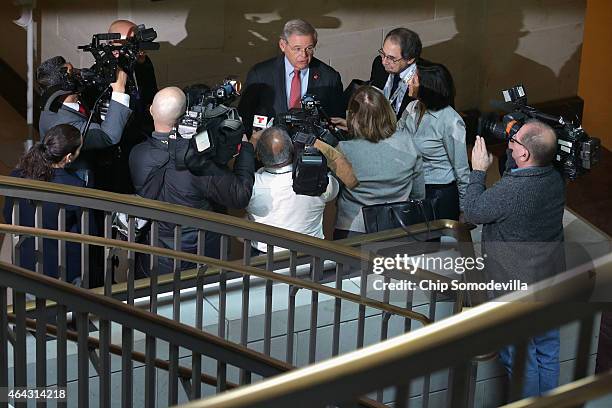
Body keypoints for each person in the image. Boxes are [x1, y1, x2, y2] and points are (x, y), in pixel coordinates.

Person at [464, 121, 566, 398]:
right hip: (551, 279)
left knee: (522, 361)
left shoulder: (512, 191)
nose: (509, 140)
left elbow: (473, 211)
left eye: (515, 140)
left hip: (515, 289)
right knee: (548, 351)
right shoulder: (556, 179)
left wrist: (477, 172)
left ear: (524, 155)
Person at [129, 86, 255, 274]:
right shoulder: (199, 164)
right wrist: (246, 147)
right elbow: (240, 195)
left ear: (151, 111)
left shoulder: (137, 154)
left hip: (155, 256)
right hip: (201, 258)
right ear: (184, 117)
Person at [334, 86, 425, 238]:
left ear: (352, 116)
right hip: (399, 227)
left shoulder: (344, 149)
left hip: (353, 229)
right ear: (386, 111)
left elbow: (332, 191)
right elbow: (419, 194)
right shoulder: (407, 142)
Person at [3, 124, 85, 284]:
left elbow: (8, 215)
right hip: (61, 269)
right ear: (68, 157)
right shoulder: (75, 186)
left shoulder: (17, 175)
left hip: (24, 262)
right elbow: (86, 232)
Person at [37, 55, 132, 187]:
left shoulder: (67, 100)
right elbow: (108, 136)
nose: (79, 74)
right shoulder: (62, 125)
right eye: (73, 74)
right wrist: (119, 90)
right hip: (78, 181)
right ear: (64, 89)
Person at [238, 19, 344, 135]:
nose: (304, 55)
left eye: (309, 48)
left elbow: (337, 123)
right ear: (283, 45)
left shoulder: (330, 78)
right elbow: (244, 117)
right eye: (297, 49)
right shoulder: (260, 74)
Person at [246, 127, 339, 254]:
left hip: (263, 264)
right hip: (311, 260)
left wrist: (252, 141)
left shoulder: (250, 186)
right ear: (293, 150)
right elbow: (338, 177)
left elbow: (239, 173)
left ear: (258, 155)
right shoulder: (317, 180)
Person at [398, 63, 469, 220]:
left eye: (414, 79)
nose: (408, 81)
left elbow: (461, 168)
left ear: (427, 87)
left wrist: (464, 207)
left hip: (440, 193)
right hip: (412, 188)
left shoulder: (450, 121)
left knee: (437, 244)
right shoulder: (412, 107)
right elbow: (395, 136)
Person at [103, 19, 159, 194]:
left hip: (144, 138)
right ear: (114, 45)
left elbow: (150, 92)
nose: (139, 46)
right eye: (132, 41)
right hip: (119, 152)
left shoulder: (144, 63)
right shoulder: (105, 73)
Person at [369, 28, 424, 118]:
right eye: (383, 54)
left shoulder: (428, 80)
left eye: (391, 58)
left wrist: (417, 97)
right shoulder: (378, 64)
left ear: (410, 59)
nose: (384, 62)